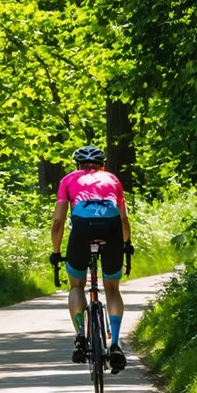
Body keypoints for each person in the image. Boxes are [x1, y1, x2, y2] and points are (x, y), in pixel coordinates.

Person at [49, 146, 133, 372]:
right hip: (112, 229)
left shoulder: (69, 179)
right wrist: (126, 245)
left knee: (76, 286)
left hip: (82, 231)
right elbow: (124, 220)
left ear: (78, 165)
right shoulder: (112, 179)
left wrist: (56, 252)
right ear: (102, 165)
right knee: (112, 288)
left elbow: (58, 222)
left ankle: (80, 337)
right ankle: (114, 343)